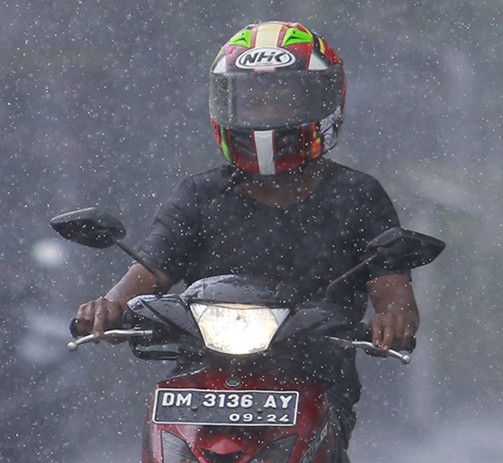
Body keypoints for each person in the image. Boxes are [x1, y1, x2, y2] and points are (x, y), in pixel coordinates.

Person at [74, 21, 420, 462]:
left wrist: (393, 319)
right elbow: (148, 271)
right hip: (199, 385)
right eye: (254, 100)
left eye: (283, 99)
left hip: (314, 377)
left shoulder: (358, 196)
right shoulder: (199, 195)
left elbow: (393, 291)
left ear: (325, 103)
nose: (268, 112)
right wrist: (109, 305)